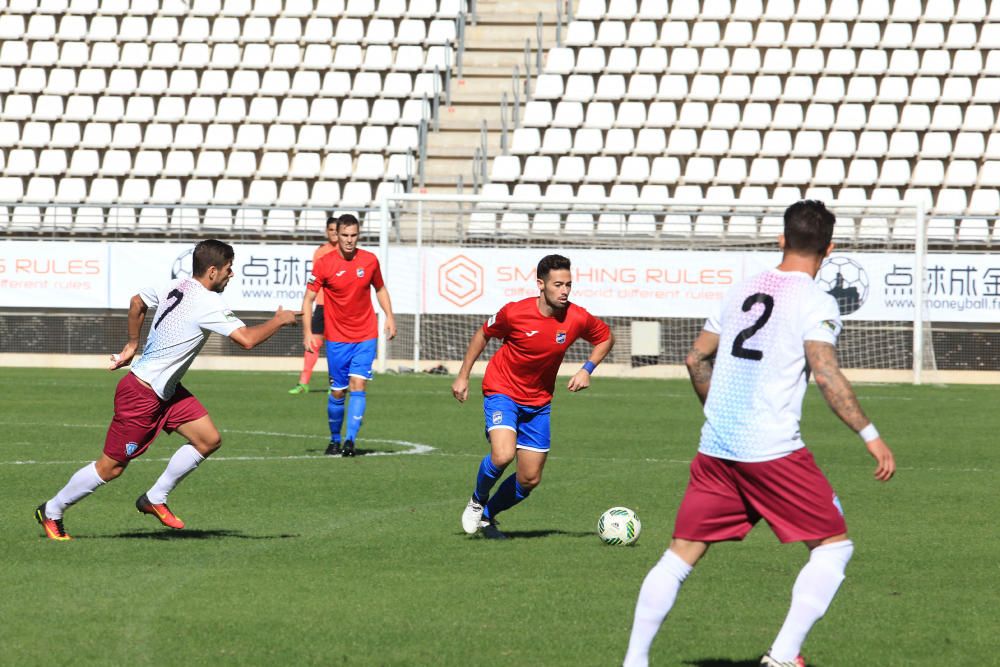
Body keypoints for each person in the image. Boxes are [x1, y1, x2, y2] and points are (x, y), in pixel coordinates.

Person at [622, 201, 896, 667]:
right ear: (829, 249)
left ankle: (634, 661)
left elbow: (695, 359)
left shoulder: (741, 289)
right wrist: (869, 433)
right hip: (771, 451)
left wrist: (719, 413)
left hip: (717, 448)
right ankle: (784, 655)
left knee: (680, 555)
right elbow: (826, 374)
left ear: (781, 239)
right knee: (834, 547)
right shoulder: (815, 300)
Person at [35, 240, 299, 541]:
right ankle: (52, 510)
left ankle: (155, 498)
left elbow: (137, 302)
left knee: (208, 440)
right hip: (141, 394)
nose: (231, 274)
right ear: (212, 271)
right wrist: (278, 321)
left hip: (166, 391)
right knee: (111, 467)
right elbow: (248, 340)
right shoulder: (208, 303)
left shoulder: (176, 285)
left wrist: (133, 345)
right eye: (228, 269)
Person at [452, 254, 615, 539]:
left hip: (538, 402)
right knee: (502, 455)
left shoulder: (576, 317)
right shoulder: (514, 313)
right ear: (540, 284)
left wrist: (587, 369)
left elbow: (605, 337)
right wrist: (464, 375)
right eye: (557, 285)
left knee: (529, 478)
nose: (564, 291)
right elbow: (483, 334)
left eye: (568, 284)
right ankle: (477, 500)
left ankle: (487, 517)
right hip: (501, 389)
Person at [301, 213, 396, 457]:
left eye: (354, 235)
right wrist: (308, 332)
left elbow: (381, 288)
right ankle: (334, 439)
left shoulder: (369, 261)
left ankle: (350, 441)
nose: (349, 240)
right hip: (337, 339)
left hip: (365, 334)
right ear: (337, 235)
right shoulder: (324, 263)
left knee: (358, 384)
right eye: (345, 235)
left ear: (358, 235)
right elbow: (309, 297)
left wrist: (389, 317)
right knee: (337, 391)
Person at [289, 217, 340, 394]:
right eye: (331, 230)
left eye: (336, 229)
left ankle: (335, 383)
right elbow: (315, 277)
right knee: (314, 343)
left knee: (336, 347)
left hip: (340, 308)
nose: (334, 233)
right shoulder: (320, 252)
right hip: (322, 305)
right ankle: (303, 382)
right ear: (327, 231)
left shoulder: (345, 253)